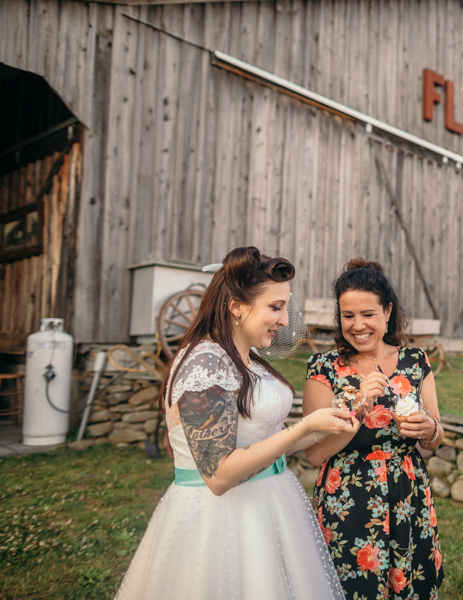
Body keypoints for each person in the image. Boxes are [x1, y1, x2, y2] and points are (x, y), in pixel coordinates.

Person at [116, 247, 354, 600]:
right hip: (221, 521)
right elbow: (219, 476)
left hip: (271, 505)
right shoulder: (205, 363)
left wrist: (327, 424)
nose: (285, 320)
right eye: (275, 307)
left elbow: (267, 440)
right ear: (236, 306)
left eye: (285, 307)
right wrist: (304, 427)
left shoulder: (249, 357)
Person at [304, 259, 445, 599]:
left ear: (388, 311)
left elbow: (436, 438)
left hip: (407, 494)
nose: (358, 325)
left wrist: (427, 428)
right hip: (347, 498)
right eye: (348, 315)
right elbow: (314, 454)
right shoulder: (325, 368)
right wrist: (357, 408)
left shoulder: (416, 361)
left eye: (368, 314)